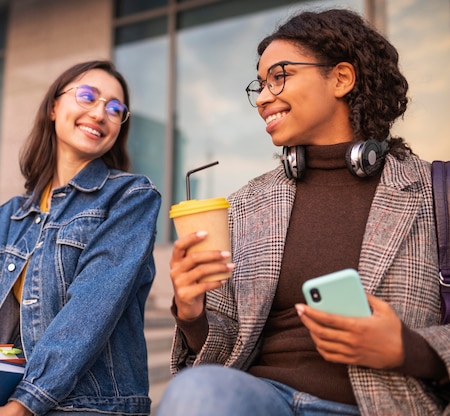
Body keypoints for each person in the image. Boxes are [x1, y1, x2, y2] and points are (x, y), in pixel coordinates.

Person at [157, 9, 449, 416]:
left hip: (383, 405)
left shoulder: (436, 194)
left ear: (341, 79)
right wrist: (191, 313)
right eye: (259, 84)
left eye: (280, 76)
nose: (262, 98)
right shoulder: (246, 203)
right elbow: (221, 346)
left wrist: (408, 349)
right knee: (198, 393)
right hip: (261, 399)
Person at [0, 60, 161, 416]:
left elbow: (91, 307)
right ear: (54, 107)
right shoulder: (9, 216)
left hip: (92, 405)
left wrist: (23, 406)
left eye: (115, 109)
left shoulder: (131, 197)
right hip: (12, 395)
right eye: (88, 96)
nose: (100, 113)